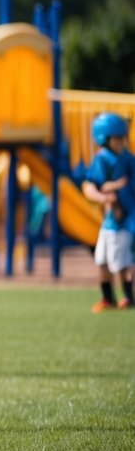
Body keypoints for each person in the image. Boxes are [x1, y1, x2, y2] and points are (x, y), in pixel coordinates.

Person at [81, 112, 135, 312]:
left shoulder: (127, 159)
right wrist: (105, 197)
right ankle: (108, 298)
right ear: (104, 138)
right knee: (102, 260)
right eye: (117, 138)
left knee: (121, 262)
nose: (122, 142)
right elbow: (90, 188)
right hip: (109, 222)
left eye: (123, 137)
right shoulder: (104, 159)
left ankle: (129, 297)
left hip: (123, 222)